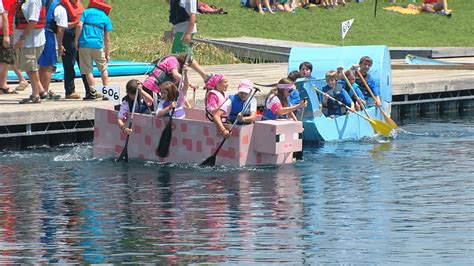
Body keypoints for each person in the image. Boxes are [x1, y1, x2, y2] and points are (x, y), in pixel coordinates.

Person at [74, 0, 112, 100]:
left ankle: (93, 93)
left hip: (84, 44)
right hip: (98, 46)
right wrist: (107, 53)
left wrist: (76, 40)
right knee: (103, 69)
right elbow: (107, 39)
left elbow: (79, 25)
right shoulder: (105, 17)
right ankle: (106, 93)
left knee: (87, 70)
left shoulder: (86, 12)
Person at [15, 0, 47, 104]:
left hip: (31, 41)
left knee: (31, 67)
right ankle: (41, 90)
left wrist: (22, 39)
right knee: (28, 67)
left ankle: (35, 94)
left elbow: (33, 21)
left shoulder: (33, 2)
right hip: (28, 41)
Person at [60, 0, 91, 99]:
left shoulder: (78, 4)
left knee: (84, 63)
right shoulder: (64, 6)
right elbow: (63, 25)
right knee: (69, 64)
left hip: (80, 37)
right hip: (68, 37)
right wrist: (78, 23)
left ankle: (90, 90)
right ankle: (69, 91)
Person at [38, 0, 68, 100]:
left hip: (38, 34)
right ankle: (45, 92)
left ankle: (39, 91)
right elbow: (60, 30)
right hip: (49, 37)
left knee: (41, 66)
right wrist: (60, 45)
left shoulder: (41, 3)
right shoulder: (59, 8)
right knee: (49, 66)